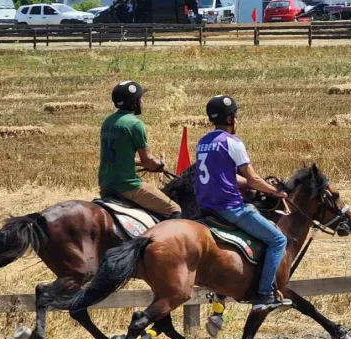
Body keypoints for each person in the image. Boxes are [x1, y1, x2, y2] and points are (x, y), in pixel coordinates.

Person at [194, 95, 290, 311]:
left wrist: (249, 184)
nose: (236, 120)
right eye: (235, 116)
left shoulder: (203, 142)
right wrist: (277, 192)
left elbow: (224, 175)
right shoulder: (233, 142)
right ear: (230, 119)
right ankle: (265, 294)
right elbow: (253, 178)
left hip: (205, 207)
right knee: (277, 240)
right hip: (230, 207)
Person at [99, 81, 182, 220]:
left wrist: (141, 163)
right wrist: (160, 165)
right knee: (175, 209)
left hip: (105, 185)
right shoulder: (135, 124)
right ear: (134, 102)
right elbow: (148, 160)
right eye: (140, 98)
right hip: (128, 186)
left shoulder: (108, 122)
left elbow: (121, 156)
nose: (142, 102)